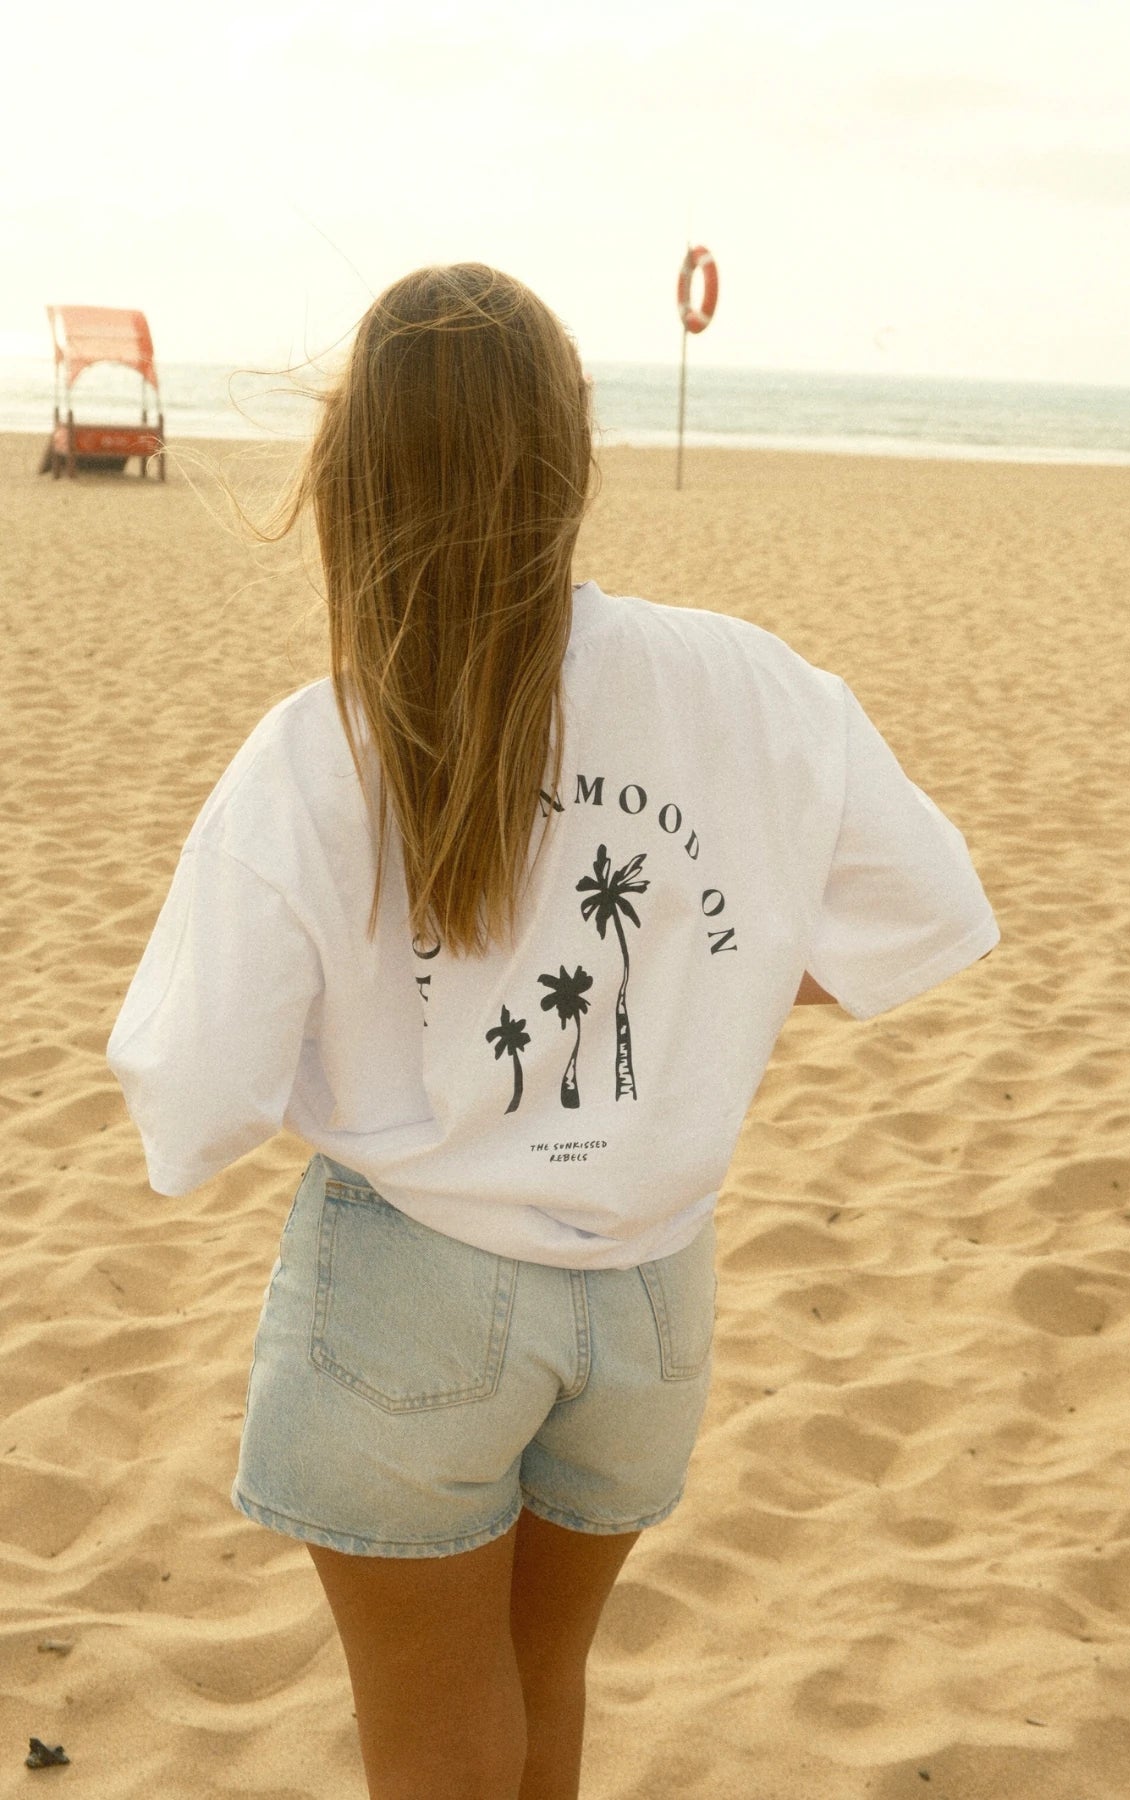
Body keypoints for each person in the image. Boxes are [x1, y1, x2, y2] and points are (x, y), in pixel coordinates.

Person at [105, 263, 999, 1800]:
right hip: (651, 1291)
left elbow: (191, 1103)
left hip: (416, 1293)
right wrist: (699, 983)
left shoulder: (328, 746)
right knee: (539, 1694)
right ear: (571, 466)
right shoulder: (749, 687)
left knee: (438, 1735)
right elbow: (925, 912)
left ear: (354, 479)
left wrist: (374, 1048)